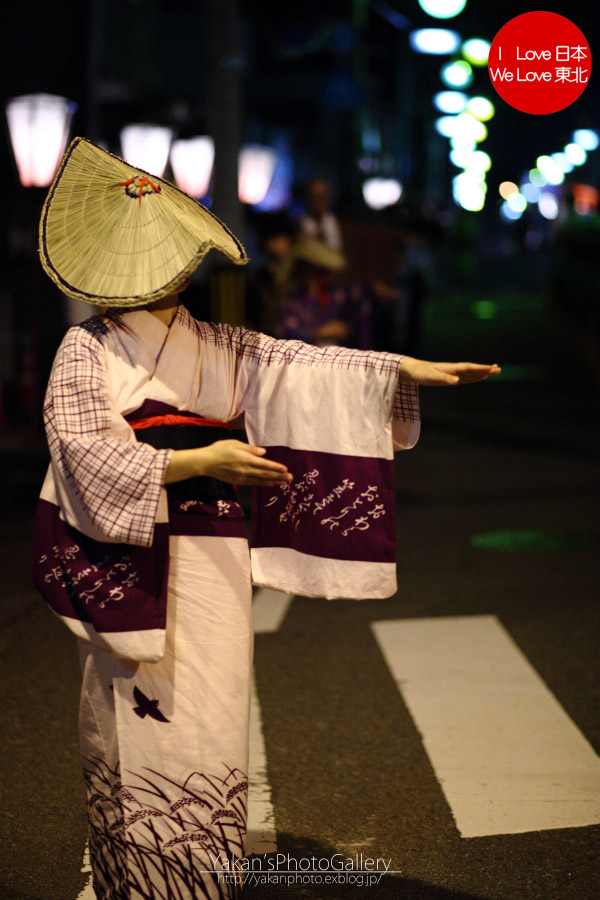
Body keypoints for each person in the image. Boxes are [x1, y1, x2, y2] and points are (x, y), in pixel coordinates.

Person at [32, 137, 500, 900]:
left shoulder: (213, 343)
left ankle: (202, 875)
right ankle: (143, 880)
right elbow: (84, 455)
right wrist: (197, 461)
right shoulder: (85, 350)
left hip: (212, 559)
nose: (184, 272)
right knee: (137, 716)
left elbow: (302, 365)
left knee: (213, 711)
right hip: (134, 556)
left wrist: (405, 369)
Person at [298, 177, 344, 252]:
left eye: (322, 197)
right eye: (314, 197)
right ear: (307, 198)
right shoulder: (298, 226)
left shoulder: (341, 224)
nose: (318, 202)